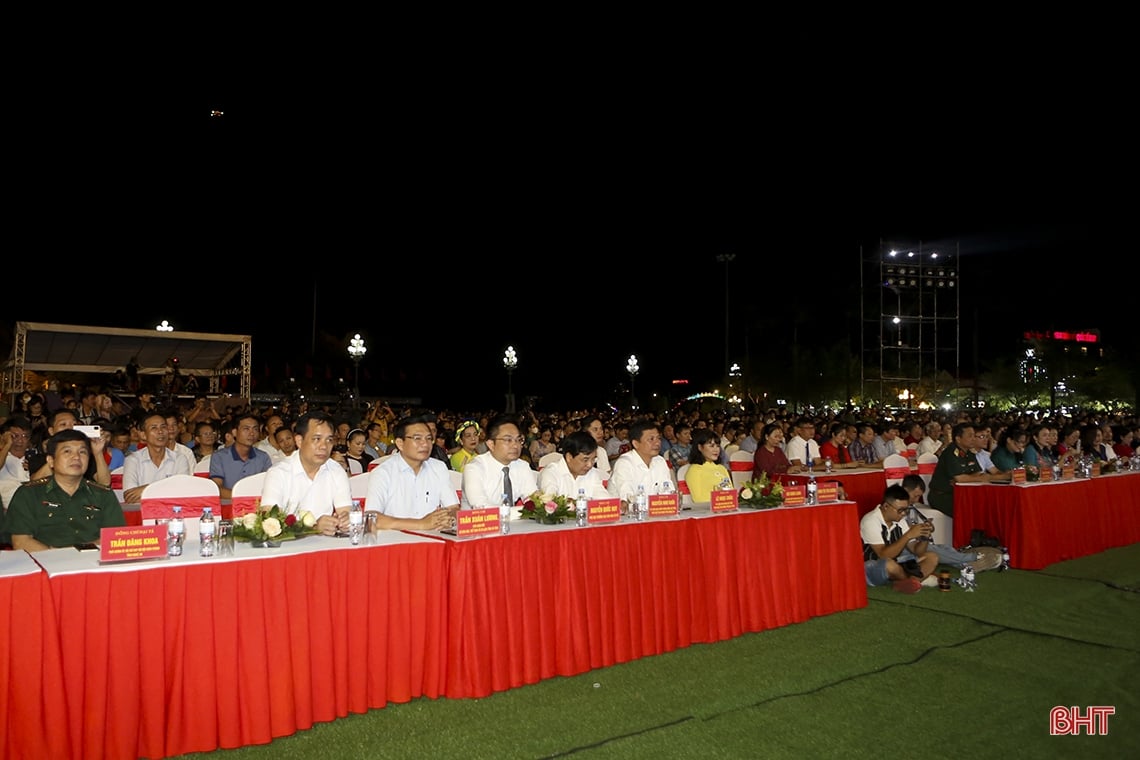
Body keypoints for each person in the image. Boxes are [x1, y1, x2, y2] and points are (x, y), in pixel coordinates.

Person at [3, 430, 126, 551]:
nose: (76, 457)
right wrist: (61, 557)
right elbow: (21, 541)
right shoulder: (28, 494)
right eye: (67, 451)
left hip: (92, 563)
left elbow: (114, 537)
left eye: (82, 452)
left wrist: (80, 555)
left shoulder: (103, 494)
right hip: (45, 564)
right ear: (51, 461)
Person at [260, 411, 351, 536]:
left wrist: (345, 520)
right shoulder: (278, 473)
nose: (324, 446)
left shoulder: (336, 471)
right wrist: (314, 528)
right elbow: (270, 523)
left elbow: (345, 511)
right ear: (299, 441)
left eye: (329, 440)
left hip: (326, 546)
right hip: (288, 549)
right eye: (316, 439)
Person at [365, 415, 457, 531]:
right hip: (398, 541)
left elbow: (453, 507)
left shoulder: (439, 468)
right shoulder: (383, 473)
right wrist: (421, 524)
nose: (425, 444)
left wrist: (449, 519)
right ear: (400, 443)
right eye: (417, 438)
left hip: (434, 540)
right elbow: (372, 518)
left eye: (429, 438)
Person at [861, 484, 939, 593]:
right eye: (900, 510)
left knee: (932, 557)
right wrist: (908, 535)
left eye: (906, 510)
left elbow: (917, 551)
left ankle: (909, 583)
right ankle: (915, 580)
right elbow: (883, 555)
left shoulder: (900, 520)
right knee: (889, 564)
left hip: (897, 562)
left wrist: (925, 537)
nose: (903, 514)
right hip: (872, 565)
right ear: (886, 506)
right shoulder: (870, 521)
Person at [927, 422, 1007, 518]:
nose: (973, 439)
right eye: (970, 436)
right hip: (943, 496)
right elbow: (961, 478)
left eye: (974, 435)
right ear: (958, 439)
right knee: (972, 510)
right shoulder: (951, 453)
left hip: (962, 494)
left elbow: (977, 474)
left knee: (990, 505)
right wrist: (981, 478)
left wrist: (973, 477)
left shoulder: (969, 453)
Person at [899, 473, 980, 568]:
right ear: (905, 490)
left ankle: (963, 564)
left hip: (914, 544)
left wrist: (926, 527)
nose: (916, 500)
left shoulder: (911, 507)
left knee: (945, 547)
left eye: (919, 497)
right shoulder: (897, 509)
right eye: (915, 496)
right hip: (904, 548)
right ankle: (969, 558)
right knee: (931, 548)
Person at [461, 414, 538, 508]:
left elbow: (533, 500)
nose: (515, 445)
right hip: (478, 521)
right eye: (508, 440)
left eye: (518, 440)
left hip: (513, 521)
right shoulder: (474, 468)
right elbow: (481, 506)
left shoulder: (522, 466)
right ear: (491, 444)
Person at [25, 408, 112, 486]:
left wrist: (98, 452)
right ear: (51, 431)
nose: (70, 428)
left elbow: (104, 483)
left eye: (74, 424)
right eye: (63, 424)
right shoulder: (39, 459)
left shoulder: (85, 458)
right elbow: (35, 482)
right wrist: (55, 458)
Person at [121, 412, 193, 503]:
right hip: (142, 514)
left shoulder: (179, 458)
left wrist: (145, 489)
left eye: (163, 427)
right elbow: (130, 497)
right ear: (143, 435)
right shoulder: (132, 460)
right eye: (154, 428)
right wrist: (168, 487)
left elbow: (181, 493)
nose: (160, 431)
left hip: (171, 513)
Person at [607, 419, 672, 509]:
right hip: (627, 518)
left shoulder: (660, 461)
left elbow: (668, 492)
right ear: (636, 443)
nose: (657, 443)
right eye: (651, 439)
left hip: (652, 515)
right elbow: (628, 499)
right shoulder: (624, 463)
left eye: (658, 438)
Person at [209, 413, 272, 499]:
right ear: (234, 432)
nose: (252, 433)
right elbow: (217, 488)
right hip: (229, 505)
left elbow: (269, 487)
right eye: (246, 429)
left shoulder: (263, 457)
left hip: (255, 506)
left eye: (255, 429)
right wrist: (243, 498)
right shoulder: (219, 457)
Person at [537, 430, 610, 499]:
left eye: (593, 459)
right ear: (569, 457)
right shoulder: (550, 473)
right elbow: (551, 504)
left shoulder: (592, 473)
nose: (590, 465)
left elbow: (604, 499)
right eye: (585, 460)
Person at [684, 428, 732, 503]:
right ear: (700, 447)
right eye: (711, 446)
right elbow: (698, 499)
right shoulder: (695, 470)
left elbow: (731, 493)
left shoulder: (722, 468)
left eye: (718, 446)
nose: (716, 450)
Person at [0, 418, 34, 511]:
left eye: (25, 436)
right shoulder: (3, 456)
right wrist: (7, 444)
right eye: (15, 436)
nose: (20, 441)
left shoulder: (35, 458)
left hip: (31, 509)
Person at [580, 415, 611, 480]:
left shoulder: (601, 451)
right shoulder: (578, 450)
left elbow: (607, 475)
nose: (600, 432)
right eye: (595, 429)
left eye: (601, 429)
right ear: (585, 431)